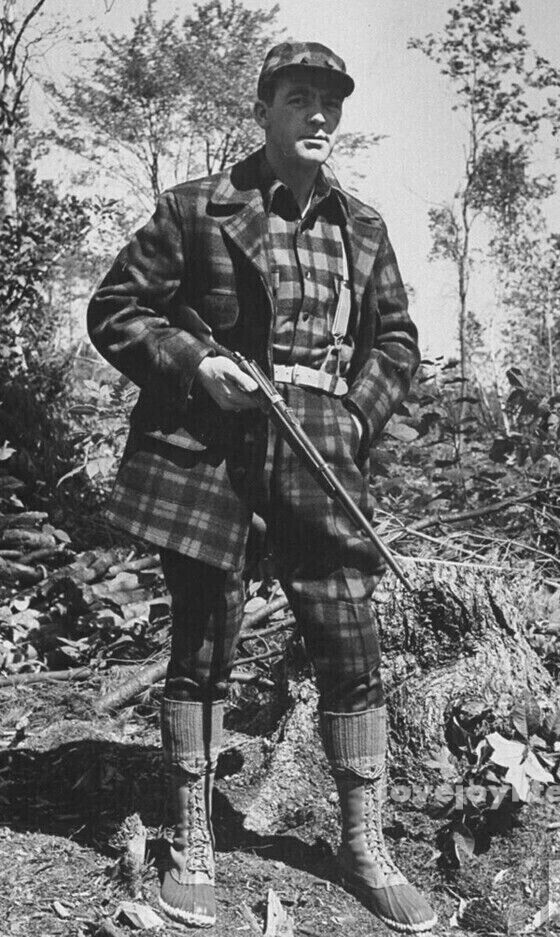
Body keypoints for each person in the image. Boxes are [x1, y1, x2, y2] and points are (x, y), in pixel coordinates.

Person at [87, 41, 436, 934]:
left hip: (321, 440)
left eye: (330, 101)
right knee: (205, 636)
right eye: (298, 98)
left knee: (348, 635)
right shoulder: (197, 208)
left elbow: (398, 340)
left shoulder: (363, 226)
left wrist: (355, 417)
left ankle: (365, 845)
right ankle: (192, 838)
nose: (318, 115)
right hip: (212, 441)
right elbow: (115, 309)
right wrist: (195, 363)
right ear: (263, 110)